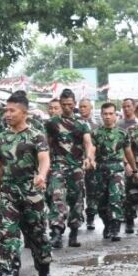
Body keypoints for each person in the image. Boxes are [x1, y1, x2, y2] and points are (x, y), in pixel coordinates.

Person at [0, 92, 52, 276]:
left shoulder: (36, 135)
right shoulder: (1, 137)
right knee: (4, 233)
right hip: (8, 192)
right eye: (6, 110)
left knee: (37, 234)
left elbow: (44, 159)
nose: (7, 114)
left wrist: (41, 175)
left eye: (12, 110)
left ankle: (44, 271)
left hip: (31, 192)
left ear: (24, 113)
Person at [44, 88, 95, 249]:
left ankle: (73, 232)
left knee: (76, 200)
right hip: (58, 166)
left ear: (75, 104)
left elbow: (88, 143)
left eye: (70, 104)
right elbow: (46, 145)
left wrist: (89, 157)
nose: (67, 107)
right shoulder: (52, 123)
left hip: (76, 168)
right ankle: (57, 232)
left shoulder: (82, 124)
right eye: (64, 104)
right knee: (57, 197)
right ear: (60, 104)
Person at [94, 102, 138, 242]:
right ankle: (106, 225)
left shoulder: (122, 133)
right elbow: (91, 150)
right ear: (101, 115)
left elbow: (128, 152)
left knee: (116, 199)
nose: (107, 117)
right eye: (105, 114)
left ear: (115, 115)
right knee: (101, 202)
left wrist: (134, 169)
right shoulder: (95, 133)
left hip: (117, 169)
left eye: (110, 114)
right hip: (100, 170)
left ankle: (115, 228)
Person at [80, 98, 101, 230]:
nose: (82, 109)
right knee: (77, 192)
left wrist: (93, 159)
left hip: (92, 162)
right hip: (76, 162)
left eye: (85, 107)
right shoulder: (74, 123)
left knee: (92, 191)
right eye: (80, 107)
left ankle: (91, 217)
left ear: (90, 108)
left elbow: (98, 144)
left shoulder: (97, 125)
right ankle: (76, 216)